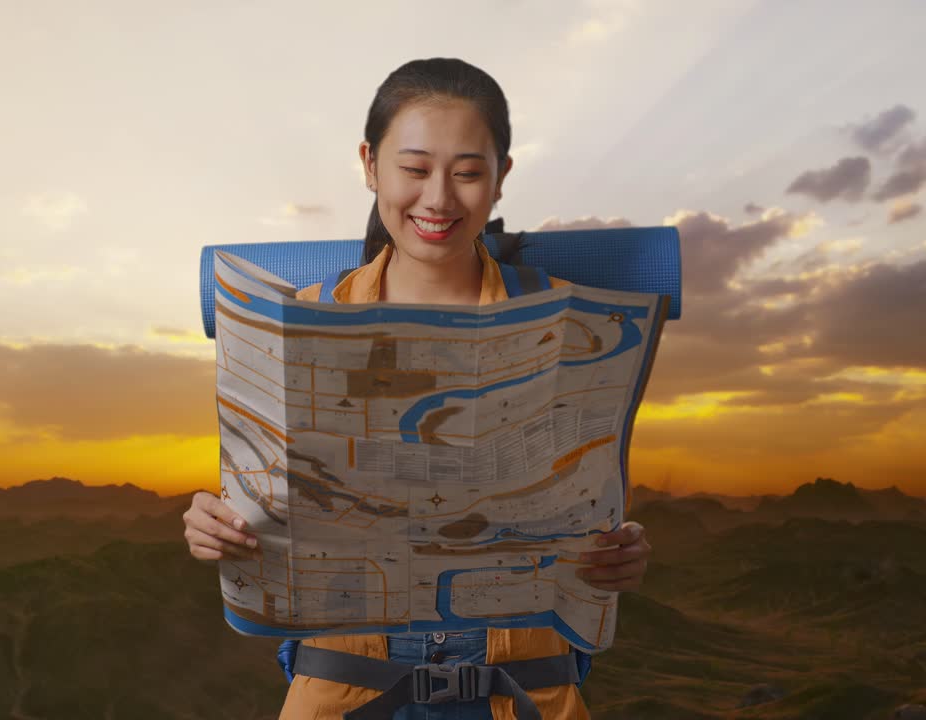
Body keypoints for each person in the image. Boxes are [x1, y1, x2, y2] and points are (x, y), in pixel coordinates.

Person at [184, 57, 653, 720]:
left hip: (526, 695)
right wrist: (217, 527)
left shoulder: (571, 326)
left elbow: (586, 502)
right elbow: (269, 506)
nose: (437, 198)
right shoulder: (301, 326)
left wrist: (617, 554)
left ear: (500, 180)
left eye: (466, 172)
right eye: (413, 168)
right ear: (371, 165)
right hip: (342, 694)